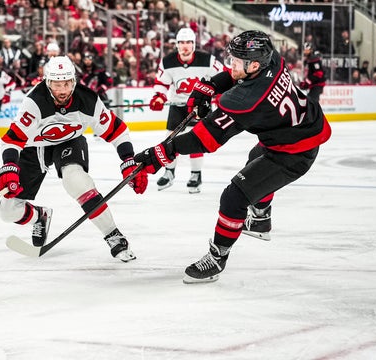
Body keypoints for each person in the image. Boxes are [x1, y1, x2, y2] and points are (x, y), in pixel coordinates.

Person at [134, 30, 331, 283]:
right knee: (255, 157)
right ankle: (260, 220)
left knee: (234, 196)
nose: (231, 65)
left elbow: (204, 139)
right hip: (303, 127)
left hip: (294, 152)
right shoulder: (273, 60)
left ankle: (217, 258)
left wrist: (159, 154)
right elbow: (236, 76)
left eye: (237, 61)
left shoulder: (248, 99)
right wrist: (208, 87)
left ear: (254, 64)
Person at [0, 55, 148, 261]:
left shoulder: (88, 100)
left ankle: (113, 235)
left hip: (68, 141)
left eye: (67, 83)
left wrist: (128, 159)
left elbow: (117, 131)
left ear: (74, 82)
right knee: (7, 211)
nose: (62, 90)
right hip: (34, 147)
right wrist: (9, 167)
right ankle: (39, 216)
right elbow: (12, 140)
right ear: (47, 82)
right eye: (57, 84)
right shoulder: (34, 102)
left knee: (76, 181)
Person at [148, 27, 225, 193]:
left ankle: (196, 175)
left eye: (189, 42)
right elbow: (162, 83)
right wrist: (158, 97)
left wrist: (219, 94)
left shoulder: (208, 60)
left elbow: (224, 76)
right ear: (176, 44)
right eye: (182, 42)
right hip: (178, 106)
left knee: (197, 140)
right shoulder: (167, 61)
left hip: (200, 105)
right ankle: (169, 172)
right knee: (168, 140)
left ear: (194, 44)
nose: (185, 46)